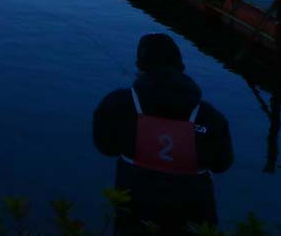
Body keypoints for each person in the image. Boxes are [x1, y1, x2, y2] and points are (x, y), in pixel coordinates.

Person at [92, 34, 233, 235]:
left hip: (134, 216)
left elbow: (105, 147)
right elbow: (222, 164)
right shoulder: (209, 116)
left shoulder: (117, 104)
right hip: (194, 218)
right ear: (181, 66)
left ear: (140, 65)